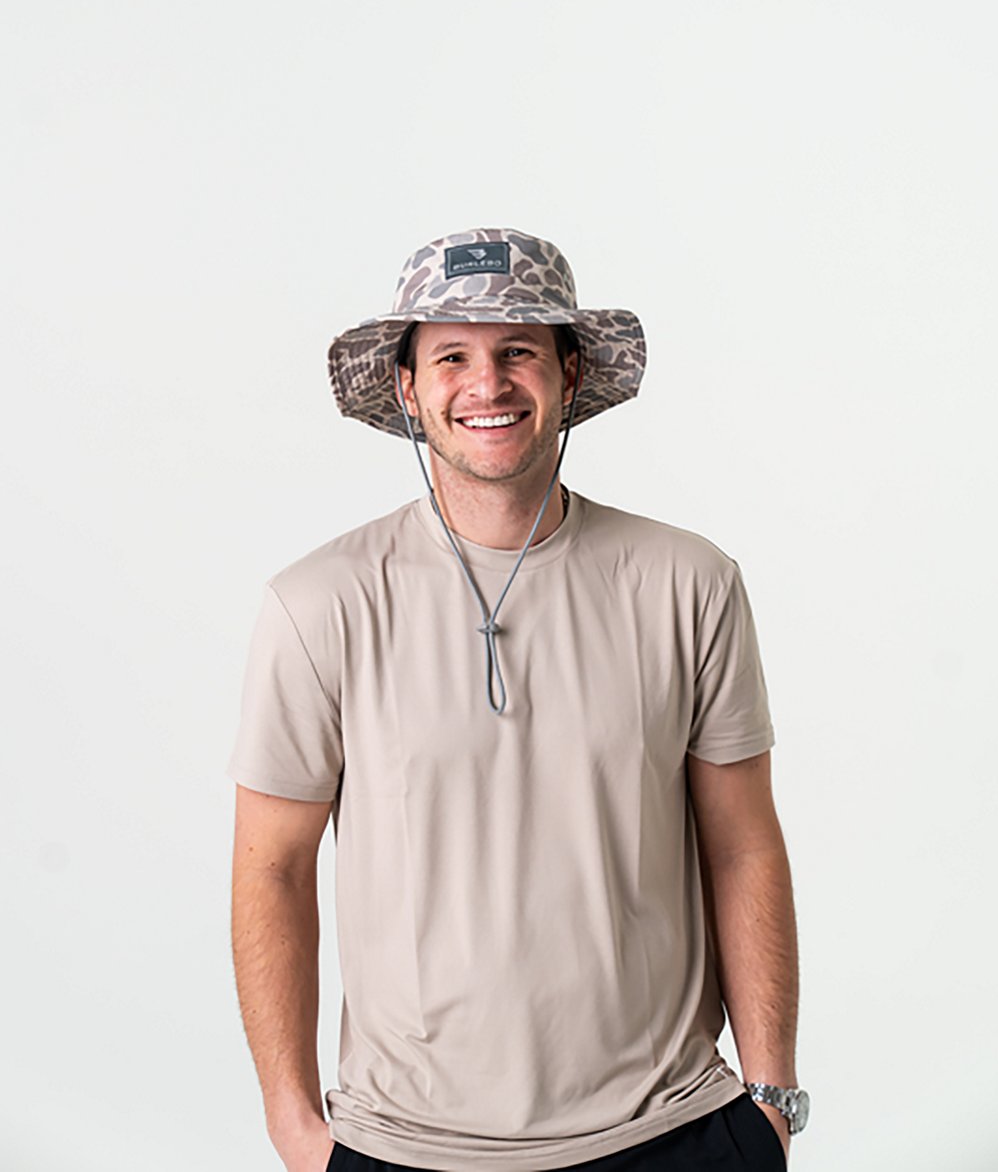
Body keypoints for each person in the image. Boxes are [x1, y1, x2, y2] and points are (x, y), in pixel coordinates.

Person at [227, 227, 809, 1172]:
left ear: (569, 375)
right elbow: (272, 870)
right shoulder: (321, 602)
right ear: (408, 389)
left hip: (672, 1131)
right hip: (405, 1145)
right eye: (451, 357)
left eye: (518, 351)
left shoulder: (688, 582)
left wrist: (771, 1098)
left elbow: (742, 843)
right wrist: (296, 1130)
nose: (487, 384)